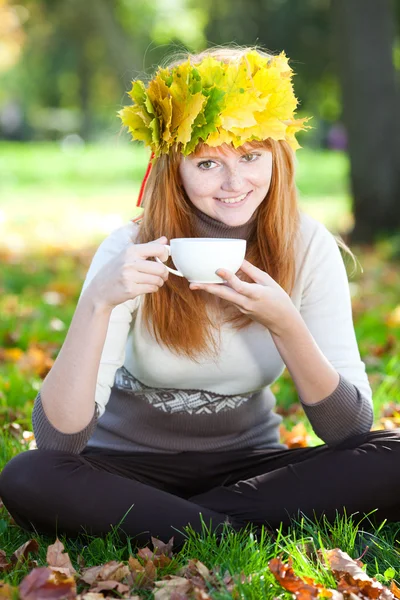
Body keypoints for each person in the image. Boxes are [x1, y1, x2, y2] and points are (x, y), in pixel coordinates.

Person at [1, 46, 400, 550]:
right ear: (174, 168)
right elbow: (60, 443)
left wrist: (286, 325)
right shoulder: (130, 251)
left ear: (276, 155)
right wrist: (98, 302)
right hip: (125, 472)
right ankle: (238, 531)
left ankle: (187, 526)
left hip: (252, 471)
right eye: (209, 162)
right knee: (28, 475)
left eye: (251, 156)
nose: (235, 183)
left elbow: (349, 431)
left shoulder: (307, 245)